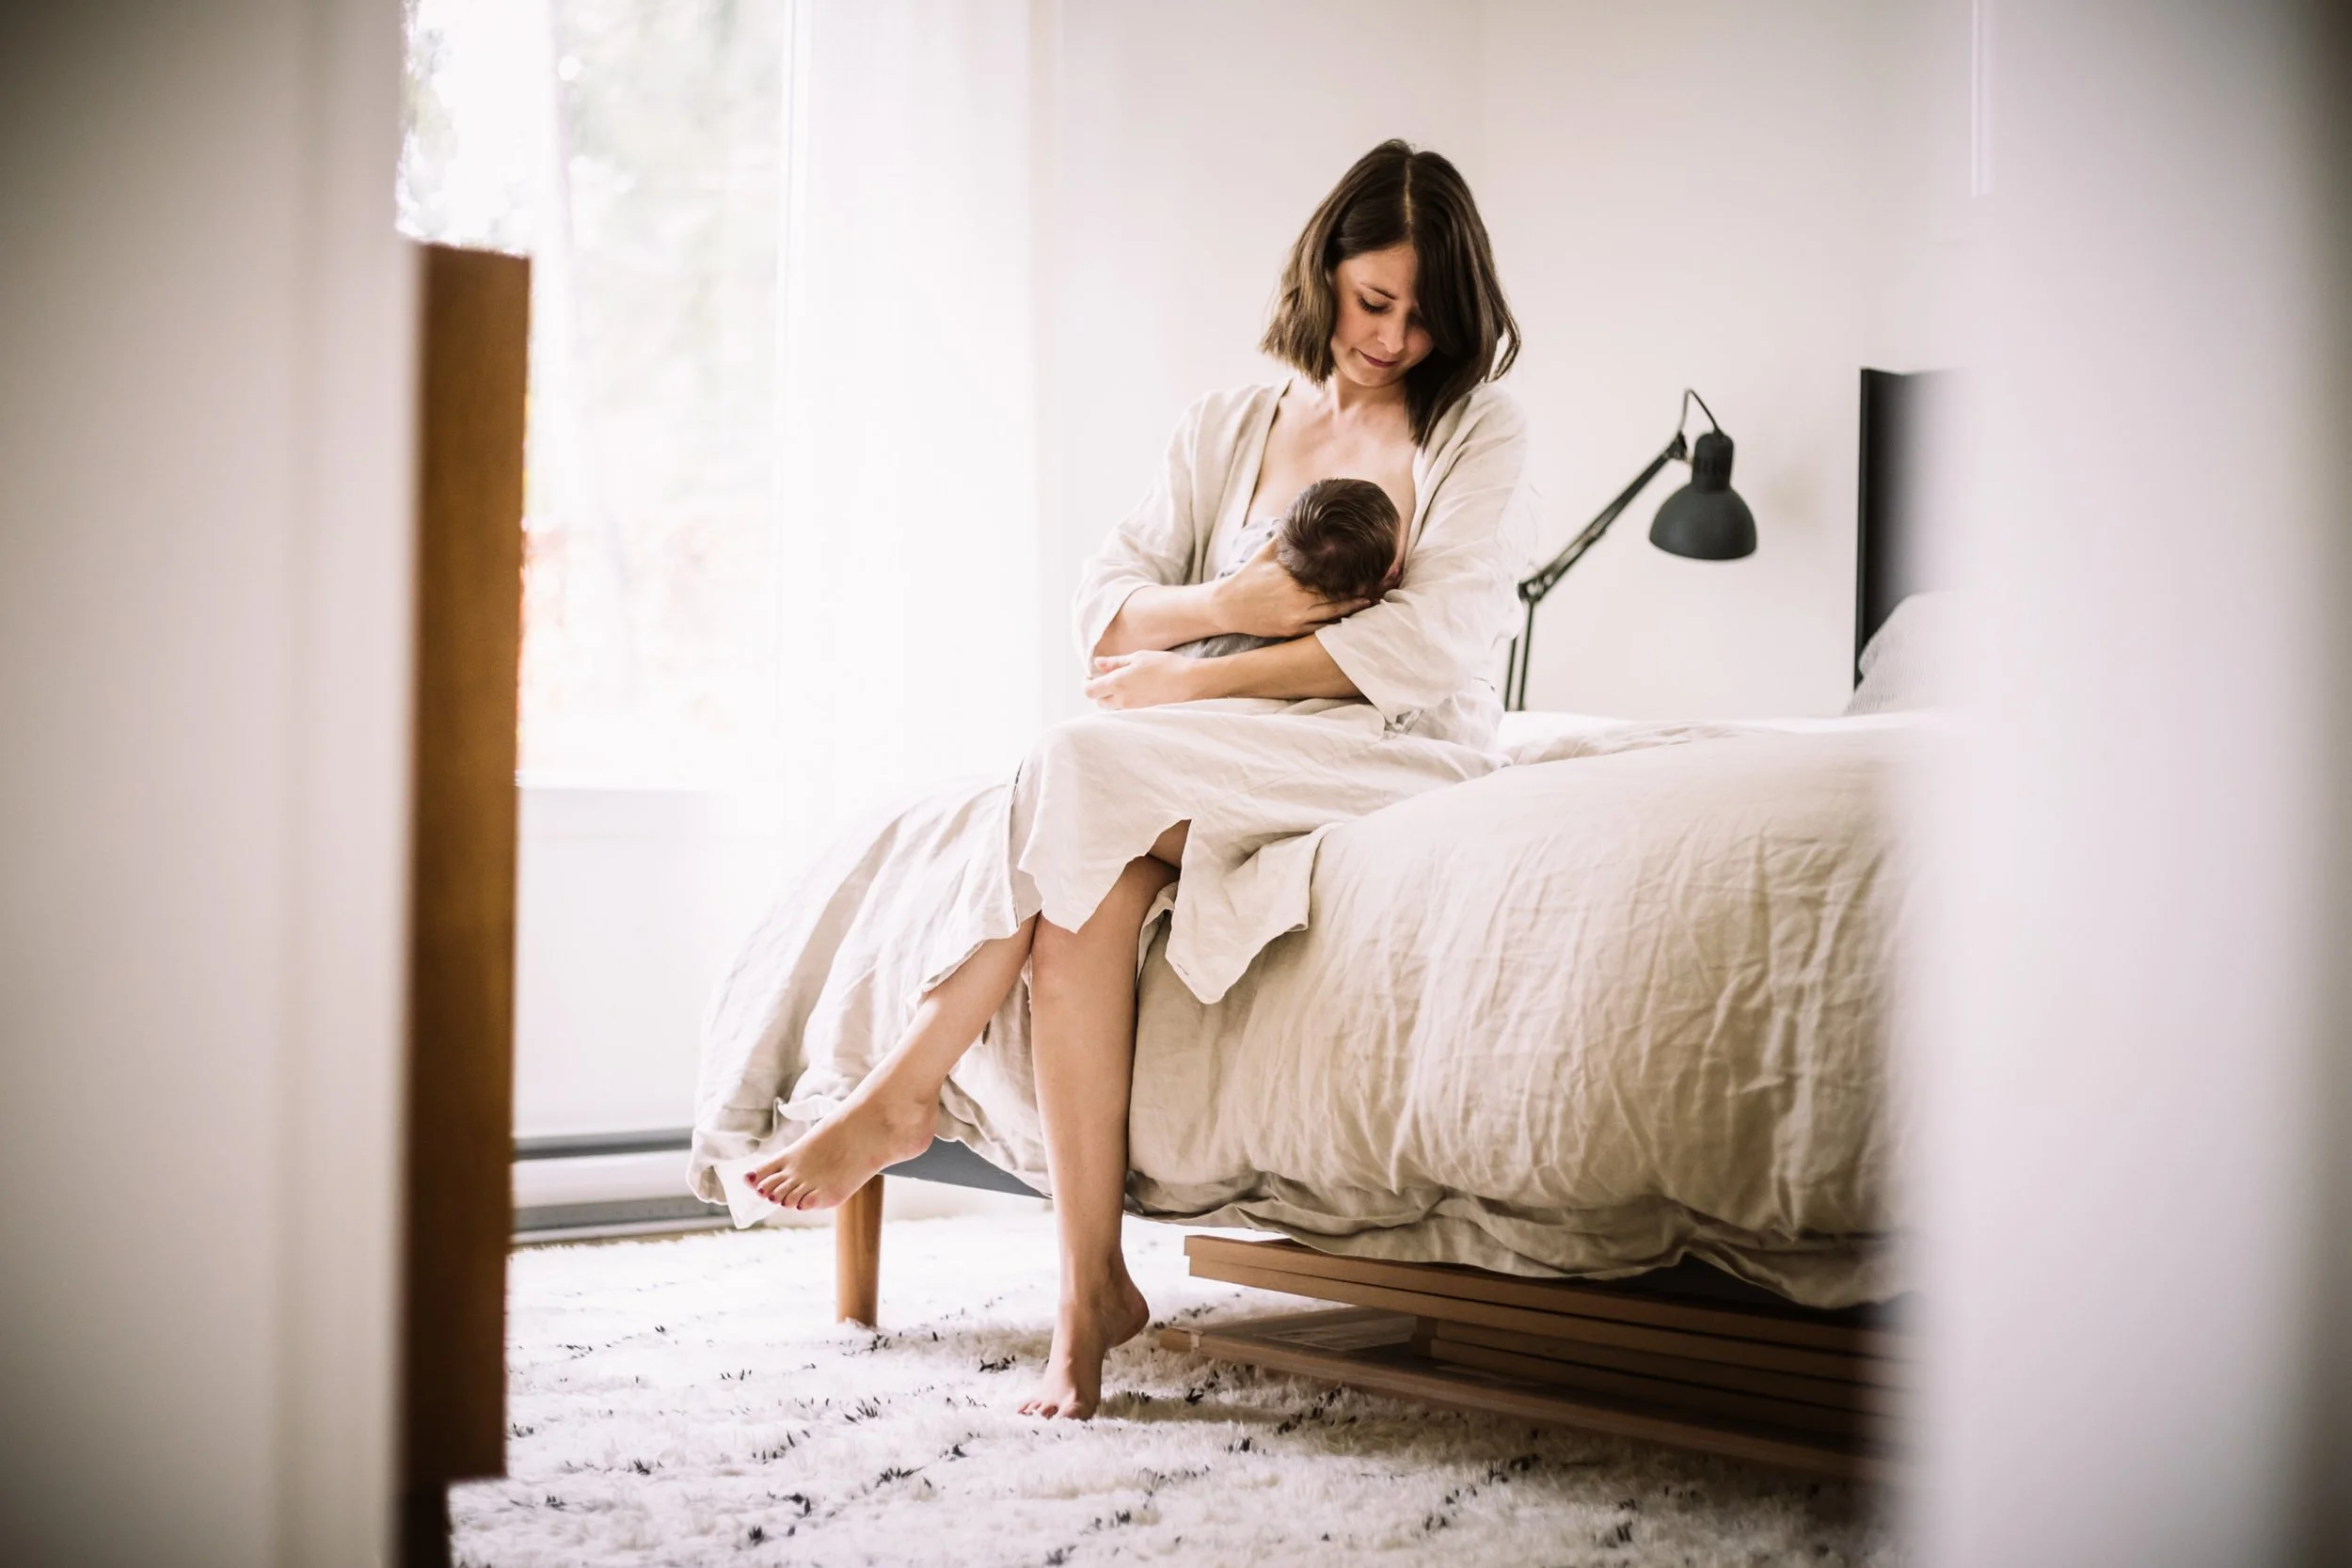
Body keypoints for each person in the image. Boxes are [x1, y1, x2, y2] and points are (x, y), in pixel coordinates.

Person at [698, 138, 1531, 1420]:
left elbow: (1437, 645)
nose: (1396, 338)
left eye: (1425, 316)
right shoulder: (1229, 426)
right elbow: (1106, 607)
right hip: (1211, 748)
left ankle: (911, 1080)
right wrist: (1231, 601)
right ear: (1325, 271)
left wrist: (1195, 676)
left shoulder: (1475, 427)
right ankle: (1092, 1289)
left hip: (1388, 739)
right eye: (1375, 302)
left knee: (1079, 762)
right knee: (1083, 883)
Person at [1173, 476, 1402, 661]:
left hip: (1183, 651)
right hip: (1215, 674)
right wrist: (1375, 590)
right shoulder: (1337, 611)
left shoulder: (1259, 537)